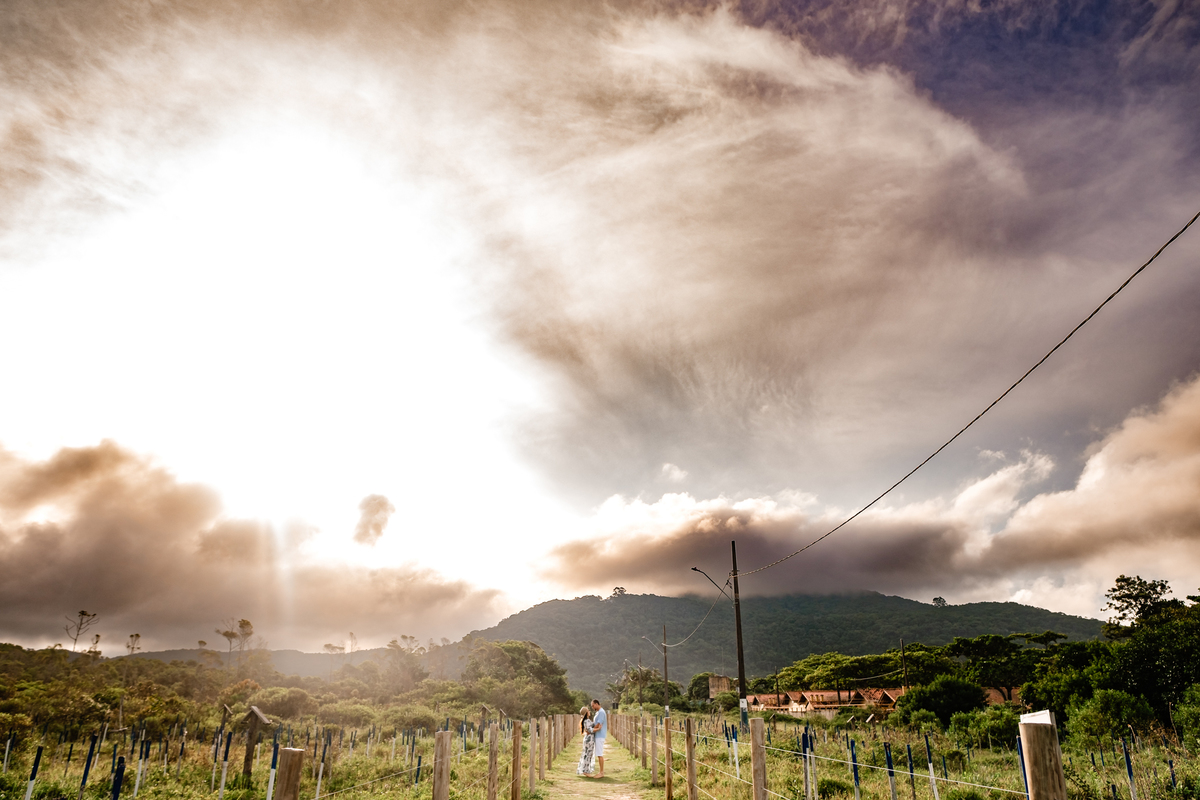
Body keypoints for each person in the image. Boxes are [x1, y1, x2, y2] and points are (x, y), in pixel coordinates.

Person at [588, 699, 608, 778]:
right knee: (598, 754)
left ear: (597, 704)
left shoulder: (601, 712)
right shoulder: (598, 712)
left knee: (599, 754)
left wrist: (591, 731)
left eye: (593, 705)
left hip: (600, 735)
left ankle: (601, 772)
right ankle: (600, 771)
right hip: (597, 735)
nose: (592, 707)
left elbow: (599, 723)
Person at [576, 706, 595, 776]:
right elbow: (590, 730)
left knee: (586, 754)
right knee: (588, 754)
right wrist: (598, 728)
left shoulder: (586, 720)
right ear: (586, 712)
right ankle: (585, 771)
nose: (589, 712)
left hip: (588, 738)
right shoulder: (586, 721)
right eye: (588, 711)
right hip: (589, 739)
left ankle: (585, 769)